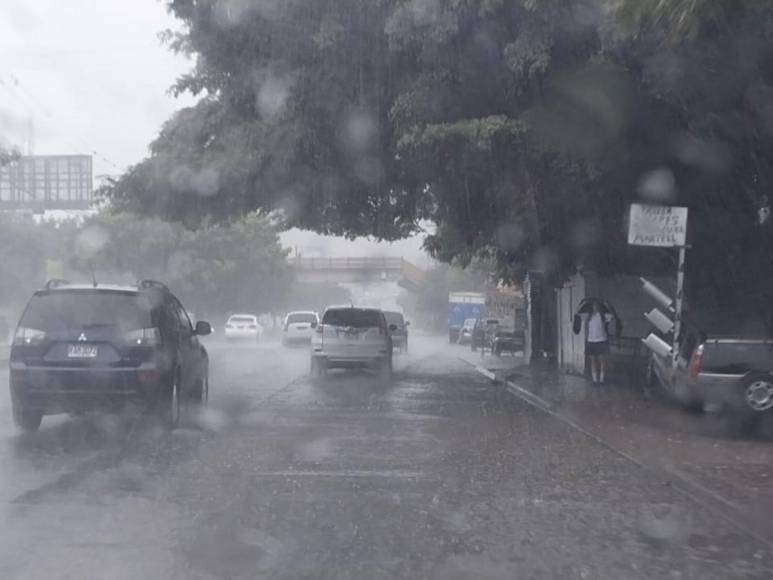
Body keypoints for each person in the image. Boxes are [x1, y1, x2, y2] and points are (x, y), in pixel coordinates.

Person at [585, 301, 611, 384]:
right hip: (591, 340)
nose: (595, 307)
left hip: (601, 340)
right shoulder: (589, 316)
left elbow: (612, 316)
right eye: (593, 305)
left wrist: (608, 306)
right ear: (592, 307)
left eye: (596, 305)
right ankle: (595, 380)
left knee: (602, 360)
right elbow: (577, 313)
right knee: (592, 360)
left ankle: (601, 380)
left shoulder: (603, 316)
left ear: (599, 306)